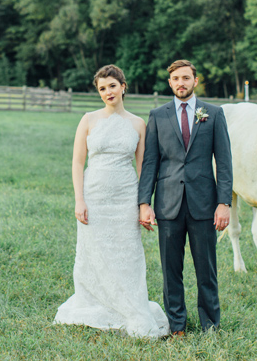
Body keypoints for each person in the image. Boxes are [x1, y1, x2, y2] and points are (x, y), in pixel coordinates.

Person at [54, 64, 169, 339]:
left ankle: (129, 304)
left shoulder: (138, 124)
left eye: (112, 86)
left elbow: (144, 169)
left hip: (125, 197)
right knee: (93, 252)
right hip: (94, 196)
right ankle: (94, 303)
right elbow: (77, 161)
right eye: (102, 88)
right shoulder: (89, 120)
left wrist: (145, 204)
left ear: (123, 86)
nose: (108, 92)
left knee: (127, 253)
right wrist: (79, 199)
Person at [137, 59, 233, 335]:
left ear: (195, 81)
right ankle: (176, 324)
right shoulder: (157, 115)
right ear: (170, 83)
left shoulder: (213, 114)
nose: (181, 83)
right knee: (171, 271)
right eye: (176, 79)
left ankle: (210, 324)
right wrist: (144, 203)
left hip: (204, 204)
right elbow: (150, 163)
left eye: (186, 78)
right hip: (168, 205)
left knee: (207, 270)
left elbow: (224, 163)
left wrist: (223, 203)